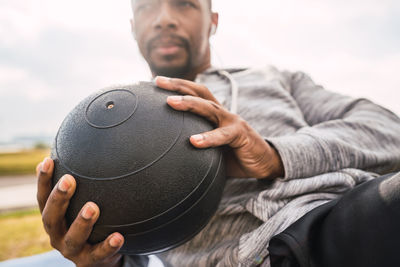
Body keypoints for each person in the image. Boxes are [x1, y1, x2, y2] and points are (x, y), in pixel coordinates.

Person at [32, 0, 400, 266]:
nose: (164, 19)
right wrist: (101, 258)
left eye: (184, 4)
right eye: (146, 7)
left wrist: (274, 155)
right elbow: (134, 251)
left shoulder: (275, 80)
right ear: (132, 26)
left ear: (213, 20)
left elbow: (389, 129)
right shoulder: (112, 126)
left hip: (333, 220)